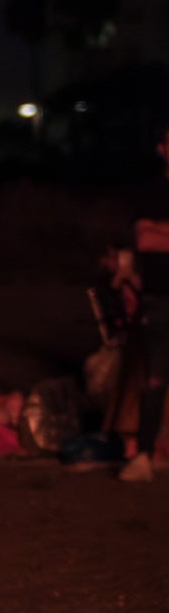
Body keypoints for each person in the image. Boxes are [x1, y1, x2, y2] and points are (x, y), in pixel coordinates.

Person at [121, 124, 169, 481]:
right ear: (162, 148)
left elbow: (156, 234)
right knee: (155, 378)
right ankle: (144, 455)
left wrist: (161, 229)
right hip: (159, 298)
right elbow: (147, 241)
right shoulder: (152, 192)